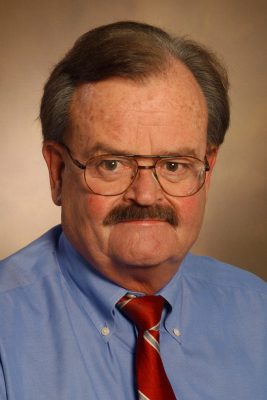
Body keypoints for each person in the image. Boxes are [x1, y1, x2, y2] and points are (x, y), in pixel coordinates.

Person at [0, 21, 266, 400]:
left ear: (207, 171)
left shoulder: (258, 314)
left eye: (174, 165)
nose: (145, 194)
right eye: (111, 164)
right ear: (58, 172)